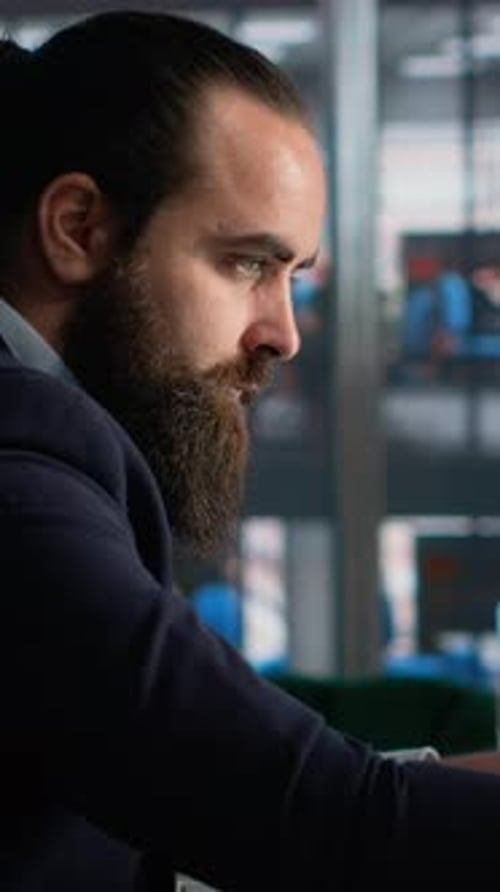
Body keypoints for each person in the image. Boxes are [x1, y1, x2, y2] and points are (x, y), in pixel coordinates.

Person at [1, 10, 500, 892]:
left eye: (293, 276)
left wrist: (408, 788)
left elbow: (174, 803)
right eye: (246, 264)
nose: (284, 334)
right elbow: (314, 823)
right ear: (76, 228)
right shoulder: (19, 460)